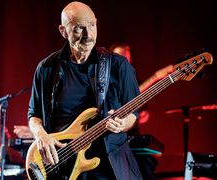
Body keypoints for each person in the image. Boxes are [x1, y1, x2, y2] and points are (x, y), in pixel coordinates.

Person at [27, 1, 142, 180]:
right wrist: (41, 135)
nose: (89, 35)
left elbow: (133, 113)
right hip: (62, 165)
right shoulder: (47, 68)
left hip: (110, 166)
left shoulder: (118, 66)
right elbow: (34, 115)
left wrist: (122, 124)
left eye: (92, 25)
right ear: (63, 31)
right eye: (79, 28)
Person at [109, 42, 173, 180]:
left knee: (145, 167)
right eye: (119, 56)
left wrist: (140, 116)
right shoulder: (103, 82)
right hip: (109, 139)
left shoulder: (133, 83)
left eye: (126, 58)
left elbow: (142, 115)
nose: (123, 61)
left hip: (131, 138)